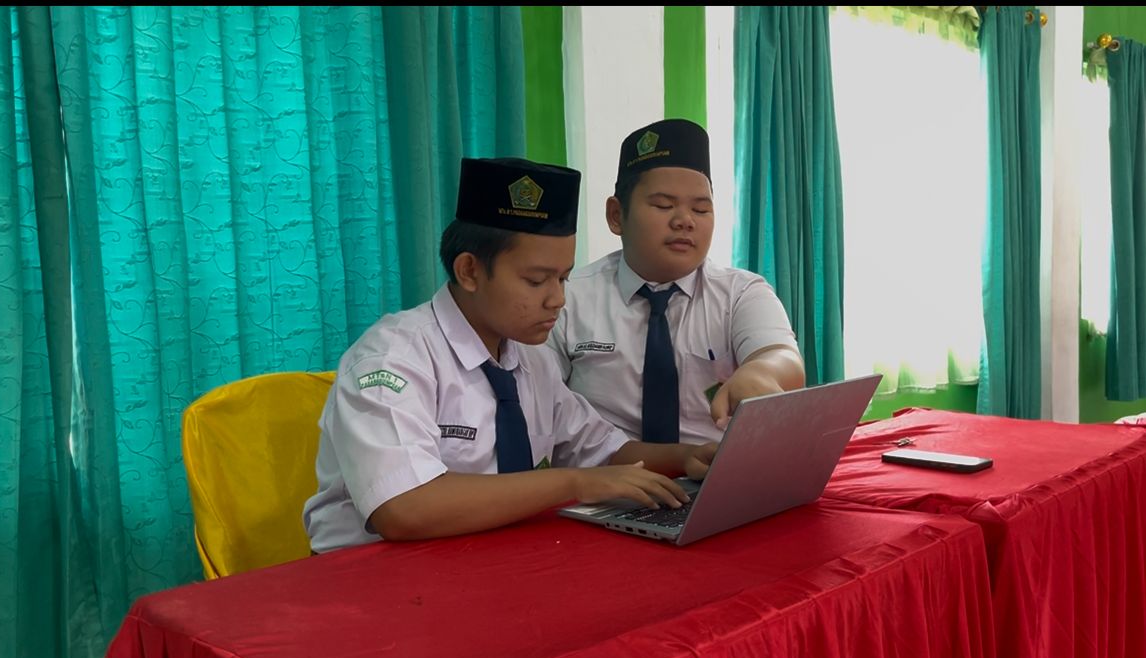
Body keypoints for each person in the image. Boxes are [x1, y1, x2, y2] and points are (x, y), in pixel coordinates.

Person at [303, 156, 716, 553]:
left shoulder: (529, 359)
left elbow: (603, 449)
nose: (557, 300)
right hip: (372, 574)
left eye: (563, 278)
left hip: (488, 557)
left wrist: (687, 457)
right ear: (469, 271)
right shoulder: (393, 358)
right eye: (536, 281)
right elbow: (403, 509)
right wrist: (576, 483)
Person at [546, 119, 805, 446]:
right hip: (606, 472)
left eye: (701, 209)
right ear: (616, 215)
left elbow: (782, 355)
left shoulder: (740, 293)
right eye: (663, 205)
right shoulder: (569, 297)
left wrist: (761, 371)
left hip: (714, 470)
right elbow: (540, 399)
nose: (685, 221)